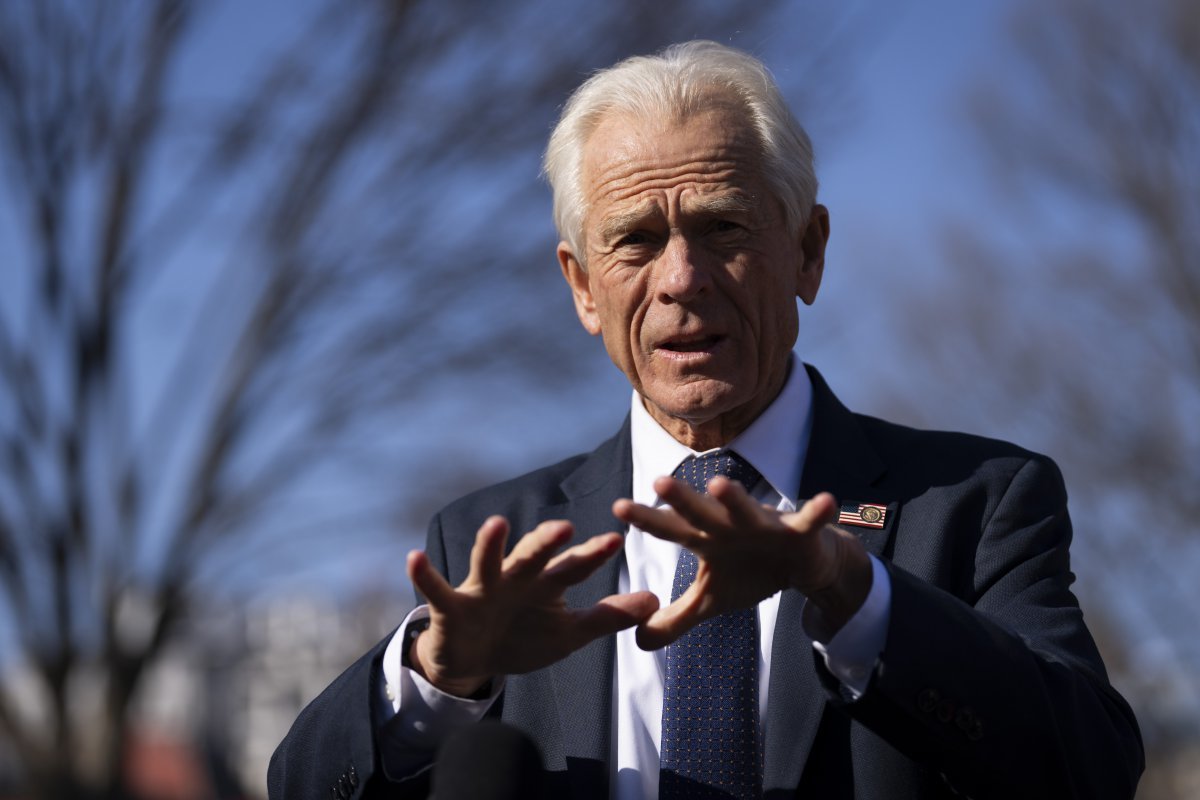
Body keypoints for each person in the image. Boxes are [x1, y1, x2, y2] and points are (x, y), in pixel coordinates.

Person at [269, 41, 1143, 799]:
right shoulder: (492, 544)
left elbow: (1092, 770)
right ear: (582, 287)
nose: (682, 278)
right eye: (636, 240)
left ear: (807, 252)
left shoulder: (975, 504)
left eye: (723, 226)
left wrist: (847, 586)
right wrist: (437, 674)